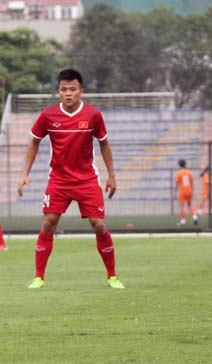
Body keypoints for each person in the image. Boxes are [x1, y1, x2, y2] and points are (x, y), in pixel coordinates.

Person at [17, 68, 124, 290]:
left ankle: (112, 276)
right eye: (64, 90)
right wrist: (25, 173)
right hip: (58, 180)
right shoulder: (48, 116)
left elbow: (104, 143)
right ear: (58, 92)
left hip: (86, 180)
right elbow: (34, 141)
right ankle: (39, 277)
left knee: (99, 225)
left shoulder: (93, 115)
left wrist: (111, 176)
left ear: (81, 92)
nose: (68, 94)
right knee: (48, 224)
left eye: (73, 89)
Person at [175, 159, 197, 226]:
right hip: (189, 190)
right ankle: (195, 216)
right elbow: (191, 182)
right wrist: (193, 190)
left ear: (179, 165)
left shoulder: (179, 173)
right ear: (185, 164)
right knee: (190, 205)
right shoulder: (189, 172)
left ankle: (183, 220)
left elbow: (177, 183)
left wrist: (175, 191)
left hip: (182, 191)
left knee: (182, 206)